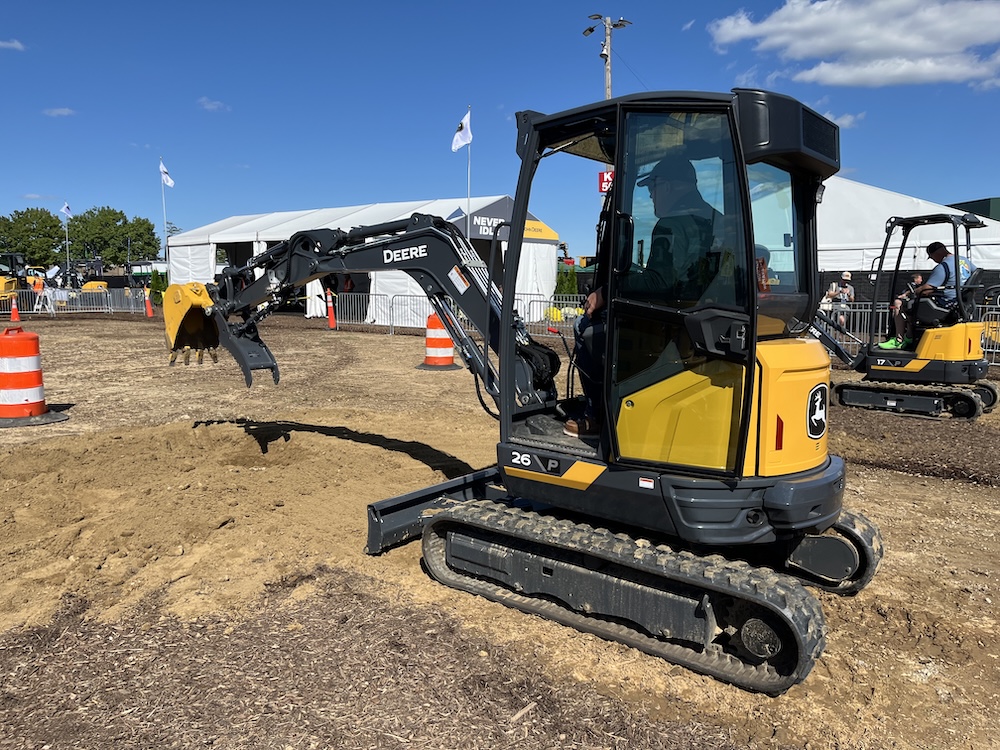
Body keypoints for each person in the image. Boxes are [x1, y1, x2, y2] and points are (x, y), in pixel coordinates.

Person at [564, 153, 718, 437]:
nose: (650, 196)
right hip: (699, 322)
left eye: (652, 188)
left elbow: (661, 282)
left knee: (584, 328)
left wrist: (607, 290)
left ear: (669, 186)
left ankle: (598, 415)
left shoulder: (672, 224)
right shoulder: (715, 221)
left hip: (667, 328)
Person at [879, 242, 977, 349]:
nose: (934, 260)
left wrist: (915, 291)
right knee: (912, 308)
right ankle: (909, 336)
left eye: (932, 257)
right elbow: (976, 274)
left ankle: (899, 340)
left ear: (936, 253)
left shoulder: (943, 266)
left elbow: (927, 289)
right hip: (959, 304)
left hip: (945, 305)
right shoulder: (964, 261)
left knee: (899, 303)